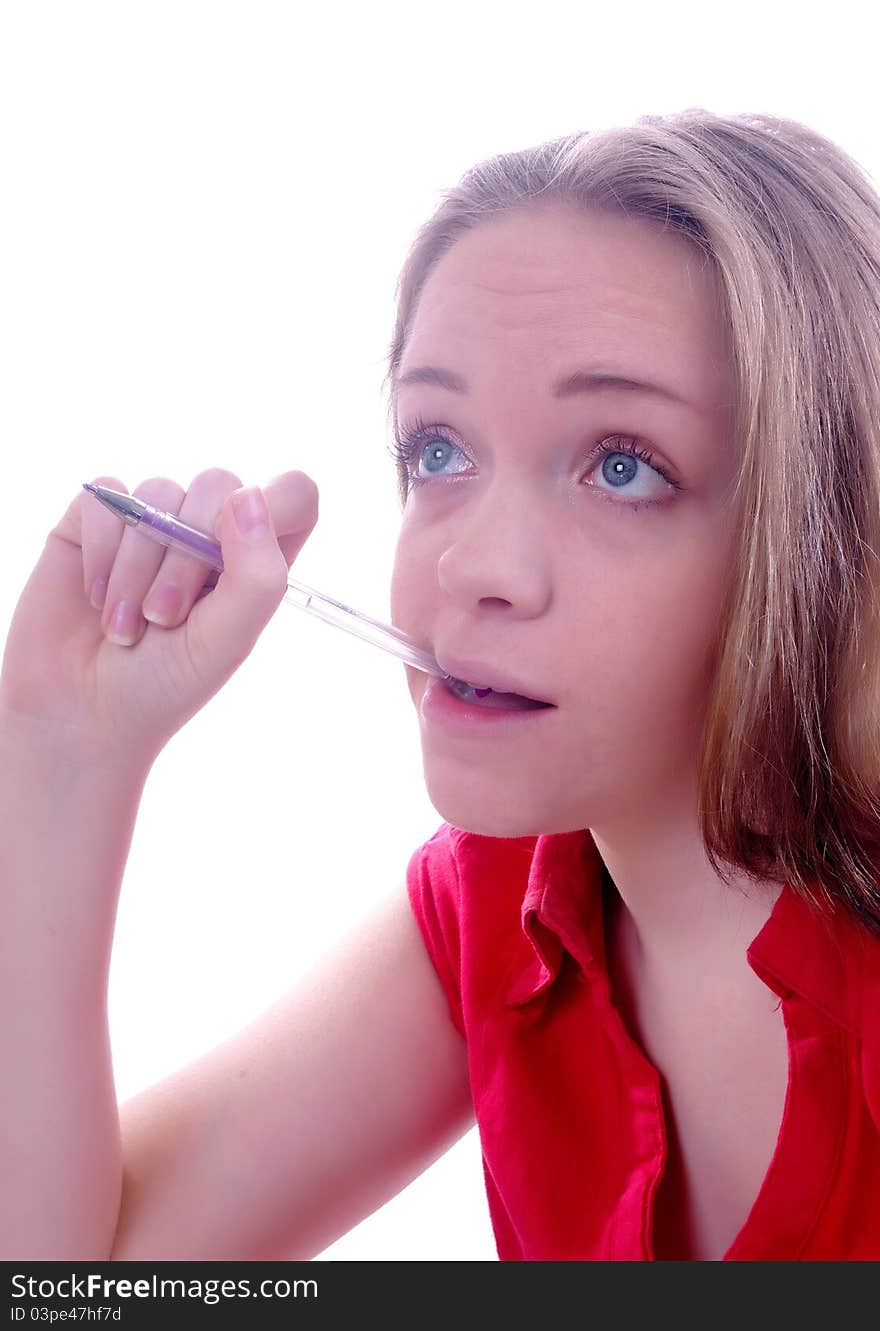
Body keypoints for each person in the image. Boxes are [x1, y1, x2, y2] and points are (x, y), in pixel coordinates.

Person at [3, 108, 880, 1263]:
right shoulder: (498, 909)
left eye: (622, 465)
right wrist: (59, 761)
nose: (471, 567)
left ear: (819, 543)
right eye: (438, 450)